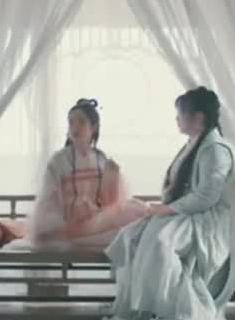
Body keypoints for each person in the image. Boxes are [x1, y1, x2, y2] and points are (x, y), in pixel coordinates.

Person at [100, 86, 235, 320]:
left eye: (181, 114)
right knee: (131, 237)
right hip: (188, 214)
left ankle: (185, 313)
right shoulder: (193, 145)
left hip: (207, 220)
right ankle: (135, 310)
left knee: (161, 242)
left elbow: (206, 197)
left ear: (198, 118)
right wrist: (158, 209)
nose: (177, 119)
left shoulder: (216, 150)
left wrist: (166, 209)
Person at [27, 98, 146, 250]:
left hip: (96, 221)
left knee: (137, 209)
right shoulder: (58, 160)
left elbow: (110, 202)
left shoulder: (101, 159)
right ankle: (83, 237)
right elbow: (48, 202)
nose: (75, 127)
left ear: (93, 127)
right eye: (71, 122)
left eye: (81, 122)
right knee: (126, 232)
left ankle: (99, 237)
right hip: (68, 225)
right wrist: (61, 226)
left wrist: (112, 177)